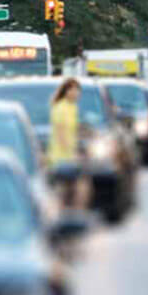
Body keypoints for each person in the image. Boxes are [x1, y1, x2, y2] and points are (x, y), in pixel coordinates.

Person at [48, 78, 90, 211]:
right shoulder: (60, 107)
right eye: (73, 90)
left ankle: (70, 212)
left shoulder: (73, 107)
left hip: (69, 156)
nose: (76, 94)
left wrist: (86, 134)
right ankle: (71, 214)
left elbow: (74, 130)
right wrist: (71, 156)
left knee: (70, 188)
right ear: (66, 91)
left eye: (78, 91)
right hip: (60, 157)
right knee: (78, 187)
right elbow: (60, 134)